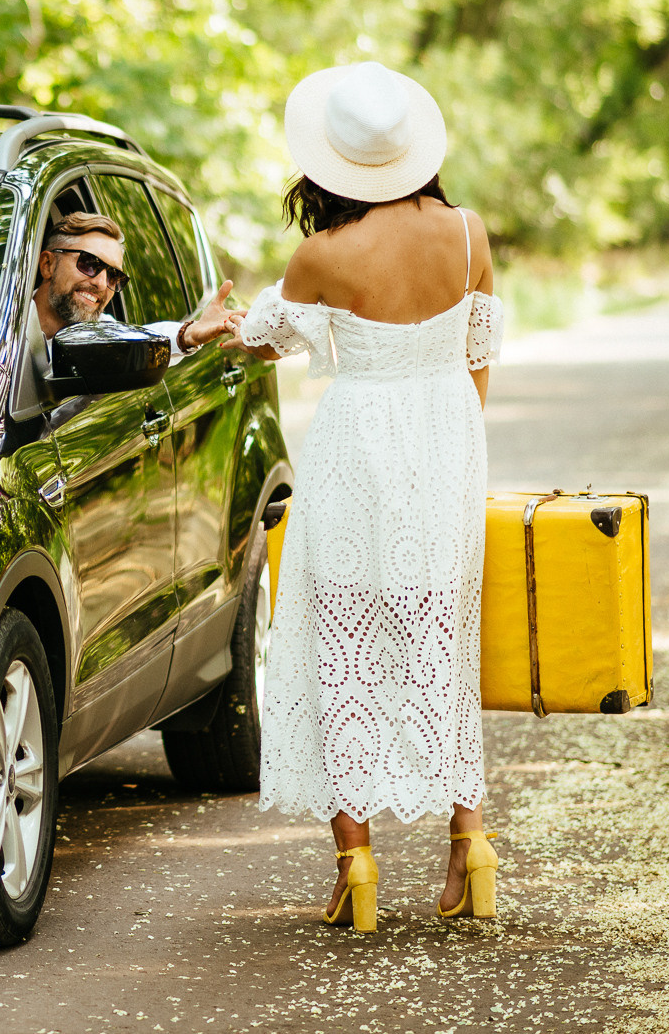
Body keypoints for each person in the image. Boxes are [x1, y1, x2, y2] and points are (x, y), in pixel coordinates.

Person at [230, 60, 503, 934]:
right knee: (441, 635)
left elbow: (263, 341)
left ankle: (357, 862)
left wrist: (221, 323)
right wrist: (450, 446)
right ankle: (473, 844)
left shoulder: (322, 255)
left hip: (356, 449)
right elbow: (479, 353)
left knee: (342, 638)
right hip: (449, 440)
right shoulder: (467, 234)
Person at [27, 211, 236, 383]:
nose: (101, 283)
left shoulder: (102, 335)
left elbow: (143, 339)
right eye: (89, 264)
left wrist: (187, 334)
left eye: (113, 275)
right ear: (48, 265)